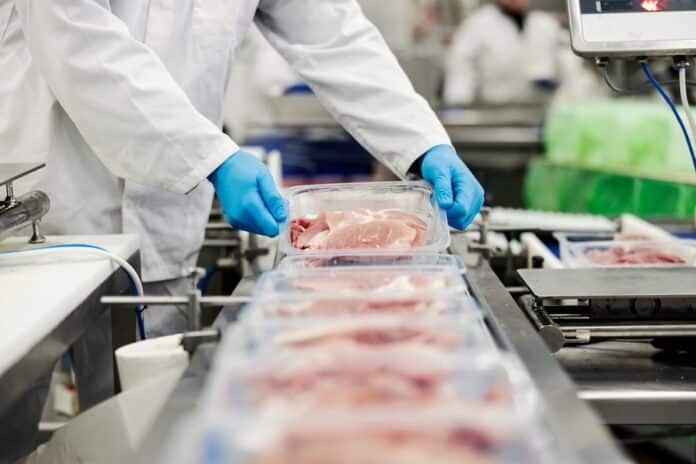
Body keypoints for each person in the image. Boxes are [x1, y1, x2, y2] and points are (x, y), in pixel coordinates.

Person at [0, 0, 483, 460]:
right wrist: (213, 158)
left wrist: (422, 143)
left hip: (169, 208)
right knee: (11, 404)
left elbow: (333, 32)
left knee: (150, 427)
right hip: (44, 194)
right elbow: (75, 38)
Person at [443, 0, 575, 106]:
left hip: (541, 110)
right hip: (494, 111)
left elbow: (571, 64)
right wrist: (458, 104)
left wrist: (557, 82)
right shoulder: (478, 25)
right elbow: (461, 67)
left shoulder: (545, 23)